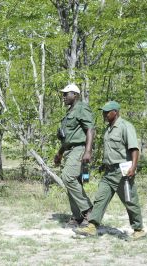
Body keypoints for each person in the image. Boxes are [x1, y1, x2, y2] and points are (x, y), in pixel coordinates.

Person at [74, 101, 147, 240]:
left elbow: (134, 149)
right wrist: (103, 164)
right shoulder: (108, 129)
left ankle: (139, 229)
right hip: (109, 172)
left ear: (115, 112)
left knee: (130, 200)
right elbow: (111, 151)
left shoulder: (125, 126)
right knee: (100, 198)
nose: (104, 114)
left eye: (107, 112)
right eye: (103, 112)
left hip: (123, 172)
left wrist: (133, 167)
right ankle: (92, 226)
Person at [54, 84, 95, 228]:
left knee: (68, 176)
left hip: (80, 148)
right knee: (72, 181)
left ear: (75, 95)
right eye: (63, 94)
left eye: (66, 94)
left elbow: (90, 128)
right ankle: (77, 217)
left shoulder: (81, 108)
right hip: (69, 150)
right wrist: (59, 153)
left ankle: (89, 210)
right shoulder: (68, 113)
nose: (64, 97)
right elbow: (67, 138)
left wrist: (88, 151)